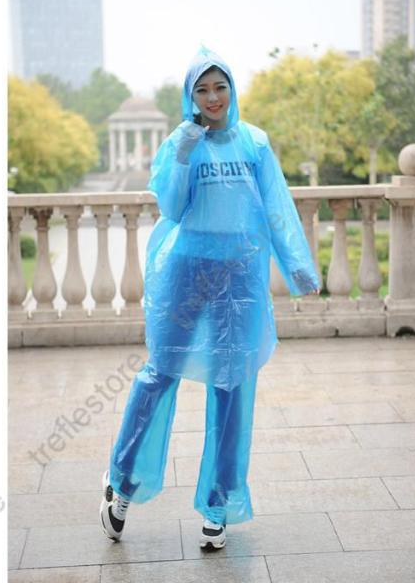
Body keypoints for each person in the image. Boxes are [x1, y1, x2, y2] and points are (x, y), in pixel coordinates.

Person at [100, 46, 320, 550]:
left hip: (239, 279)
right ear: (191, 96)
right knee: (160, 374)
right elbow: (173, 208)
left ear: (231, 91)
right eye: (202, 89)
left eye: (220, 87)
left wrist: (299, 266)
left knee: (232, 384)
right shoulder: (182, 142)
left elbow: (277, 207)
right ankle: (123, 482)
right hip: (187, 271)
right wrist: (182, 153)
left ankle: (218, 503)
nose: (213, 97)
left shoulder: (255, 143)